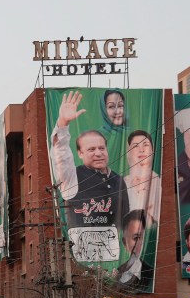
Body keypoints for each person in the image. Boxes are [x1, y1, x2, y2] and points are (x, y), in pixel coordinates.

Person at [50, 91, 130, 235]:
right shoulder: (72, 177)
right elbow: (61, 155)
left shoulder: (118, 179)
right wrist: (63, 124)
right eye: (91, 149)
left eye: (101, 148)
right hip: (84, 252)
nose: (98, 153)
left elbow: (126, 222)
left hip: (118, 254)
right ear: (80, 153)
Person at [125, 130, 161, 227]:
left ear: (152, 150)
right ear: (129, 152)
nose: (141, 150)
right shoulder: (122, 183)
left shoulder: (159, 183)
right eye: (135, 146)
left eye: (145, 145)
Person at [114, 209, 154, 290]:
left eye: (142, 238)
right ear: (124, 242)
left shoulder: (150, 273)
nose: (140, 243)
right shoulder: (118, 272)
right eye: (136, 238)